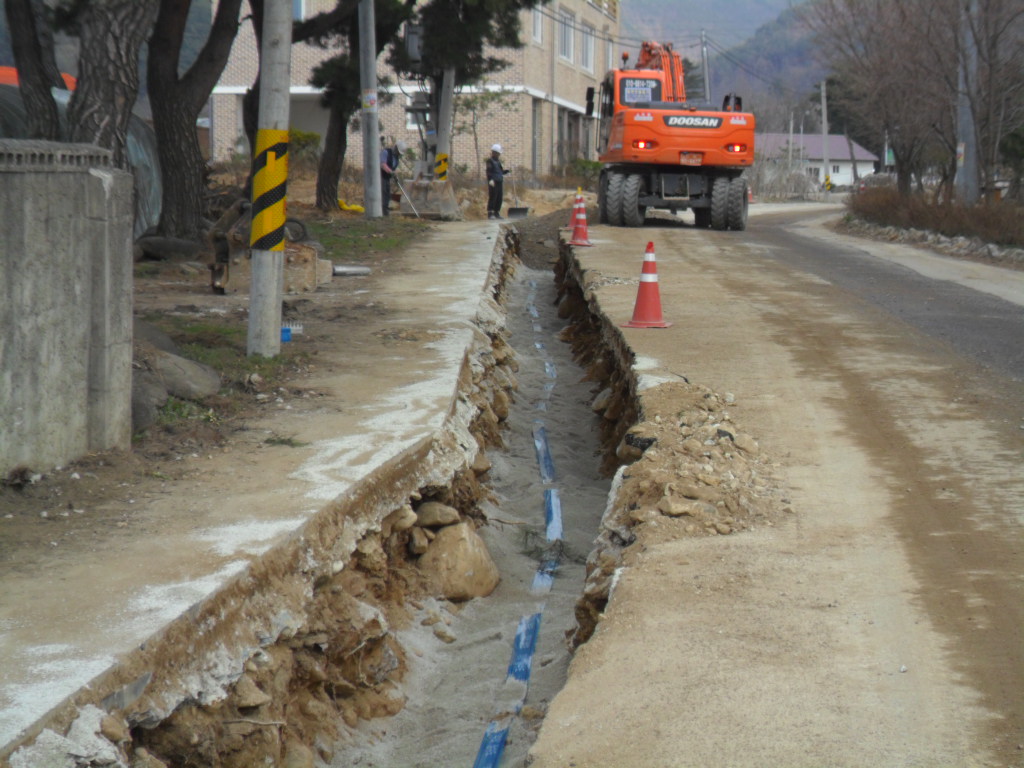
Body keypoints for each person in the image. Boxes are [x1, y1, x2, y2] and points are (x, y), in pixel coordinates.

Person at [379, 138, 407, 216]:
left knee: (387, 193)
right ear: (395, 148)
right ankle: (382, 211)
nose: (399, 154)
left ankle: (385, 210)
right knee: (383, 192)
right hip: (381, 176)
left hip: (387, 177)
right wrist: (391, 172)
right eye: (398, 151)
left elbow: (393, 168)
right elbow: (382, 164)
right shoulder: (386, 152)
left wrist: (394, 174)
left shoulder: (396, 158)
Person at [485, 143, 510, 219]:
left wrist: (506, 172)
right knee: (493, 196)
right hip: (493, 182)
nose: (499, 155)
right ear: (494, 153)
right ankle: (490, 213)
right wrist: (490, 180)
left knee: (499, 197)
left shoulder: (498, 162)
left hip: (499, 181)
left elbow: (500, 171)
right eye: (498, 153)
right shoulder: (490, 161)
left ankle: (496, 212)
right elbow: (489, 171)